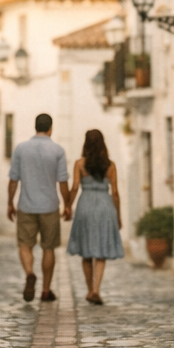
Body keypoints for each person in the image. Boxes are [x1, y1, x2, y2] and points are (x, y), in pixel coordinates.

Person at [8, 113, 71, 302]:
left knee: (25, 244)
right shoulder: (58, 150)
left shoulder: (21, 149)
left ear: (35, 127)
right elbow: (62, 182)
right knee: (48, 248)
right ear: (51, 128)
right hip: (50, 206)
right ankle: (45, 290)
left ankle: (29, 273)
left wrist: (10, 202)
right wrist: (67, 204)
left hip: (26, 205)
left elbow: (13, 179)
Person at [66, 129, 124, 304]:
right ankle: (97, 289)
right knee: (100, 251)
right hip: (105, 206)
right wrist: (118, 215)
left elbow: (75, 187)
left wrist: (68, 205)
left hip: (85, 205)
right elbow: (115, 193)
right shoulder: (111, 165)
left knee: (86, 251)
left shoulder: (79, 164)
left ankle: (89, 290)